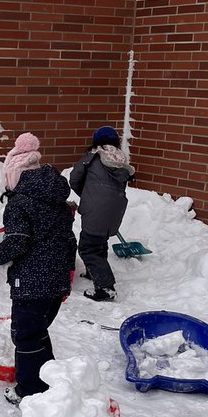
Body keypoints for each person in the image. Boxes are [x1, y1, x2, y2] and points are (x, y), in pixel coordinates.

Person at [0, 163, 75, 404]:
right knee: (38, 331)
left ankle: (29, 390)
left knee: (25, 336)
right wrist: (69, 273)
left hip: (31, 283)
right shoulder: (61, 207)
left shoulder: (19, 204)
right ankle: (50, 379)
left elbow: (17, 242)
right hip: (56, 282)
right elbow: (69, 241)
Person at [69, 125, 134, 302]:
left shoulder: (92, 156)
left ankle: (106, 287)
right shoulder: (121, 160)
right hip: (115, 210)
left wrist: (89, 195)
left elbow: (74, 179)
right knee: (99, 242)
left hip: (96, 209)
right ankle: (94, 273)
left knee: (87, 248)